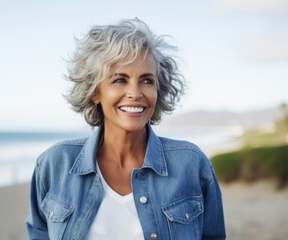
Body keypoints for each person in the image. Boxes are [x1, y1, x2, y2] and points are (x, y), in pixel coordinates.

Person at [26, 18, 226, 240]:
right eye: (120, 80)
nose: (135, 92)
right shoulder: (54, 164)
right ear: (95, 92)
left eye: (147, 80)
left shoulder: (191, 163)